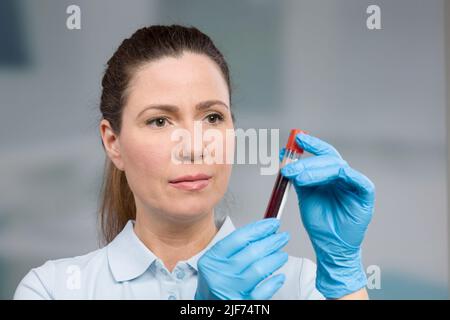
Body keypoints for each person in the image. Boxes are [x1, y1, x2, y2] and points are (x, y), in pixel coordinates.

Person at [14, 25, 375, 300]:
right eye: (160, 121)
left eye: (213, 118)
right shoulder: (54, 289)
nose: (193, 147)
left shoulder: (300, 286)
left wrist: (345, 276)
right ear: (113, 142)